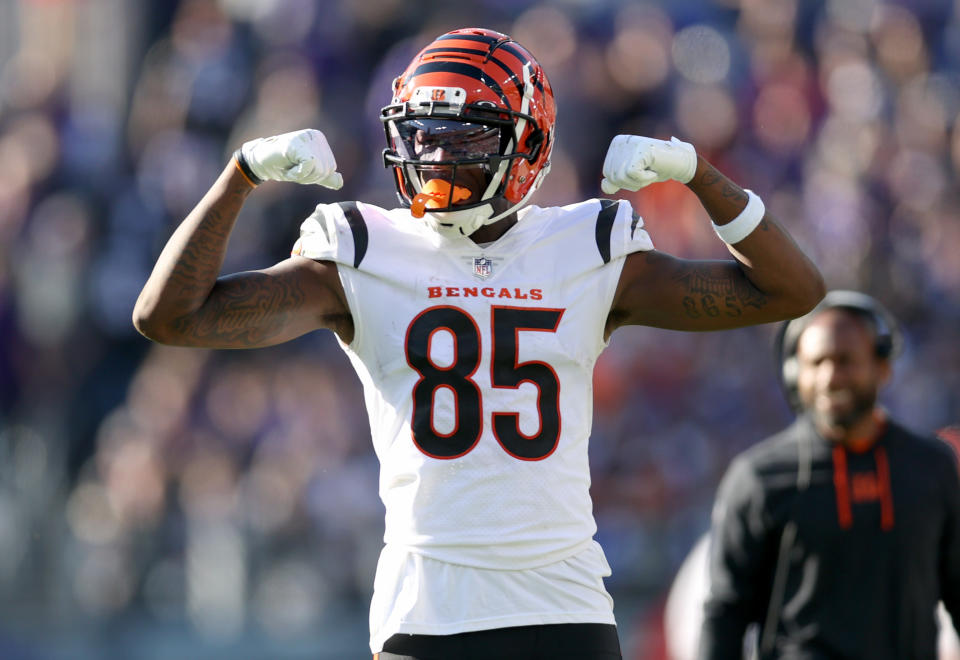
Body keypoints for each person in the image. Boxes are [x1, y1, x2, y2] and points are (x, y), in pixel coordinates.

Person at [133, 27, 824, 660]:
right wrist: (239, 177)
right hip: (425, 611)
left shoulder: (586, 250)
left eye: (462, 137)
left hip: (562, 605)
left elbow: (792, 291)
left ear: (527, 144)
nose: (434, 154)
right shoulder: (363, 251)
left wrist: (699, 174)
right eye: (424, 135)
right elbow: (169, 318)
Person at [699, 290, 960, 660]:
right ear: (795, 374)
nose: (830, 376)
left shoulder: (932, 467)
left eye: (845, 360)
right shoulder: (757, 479)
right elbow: (724, 613)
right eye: (817, 362)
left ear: (882, 366)